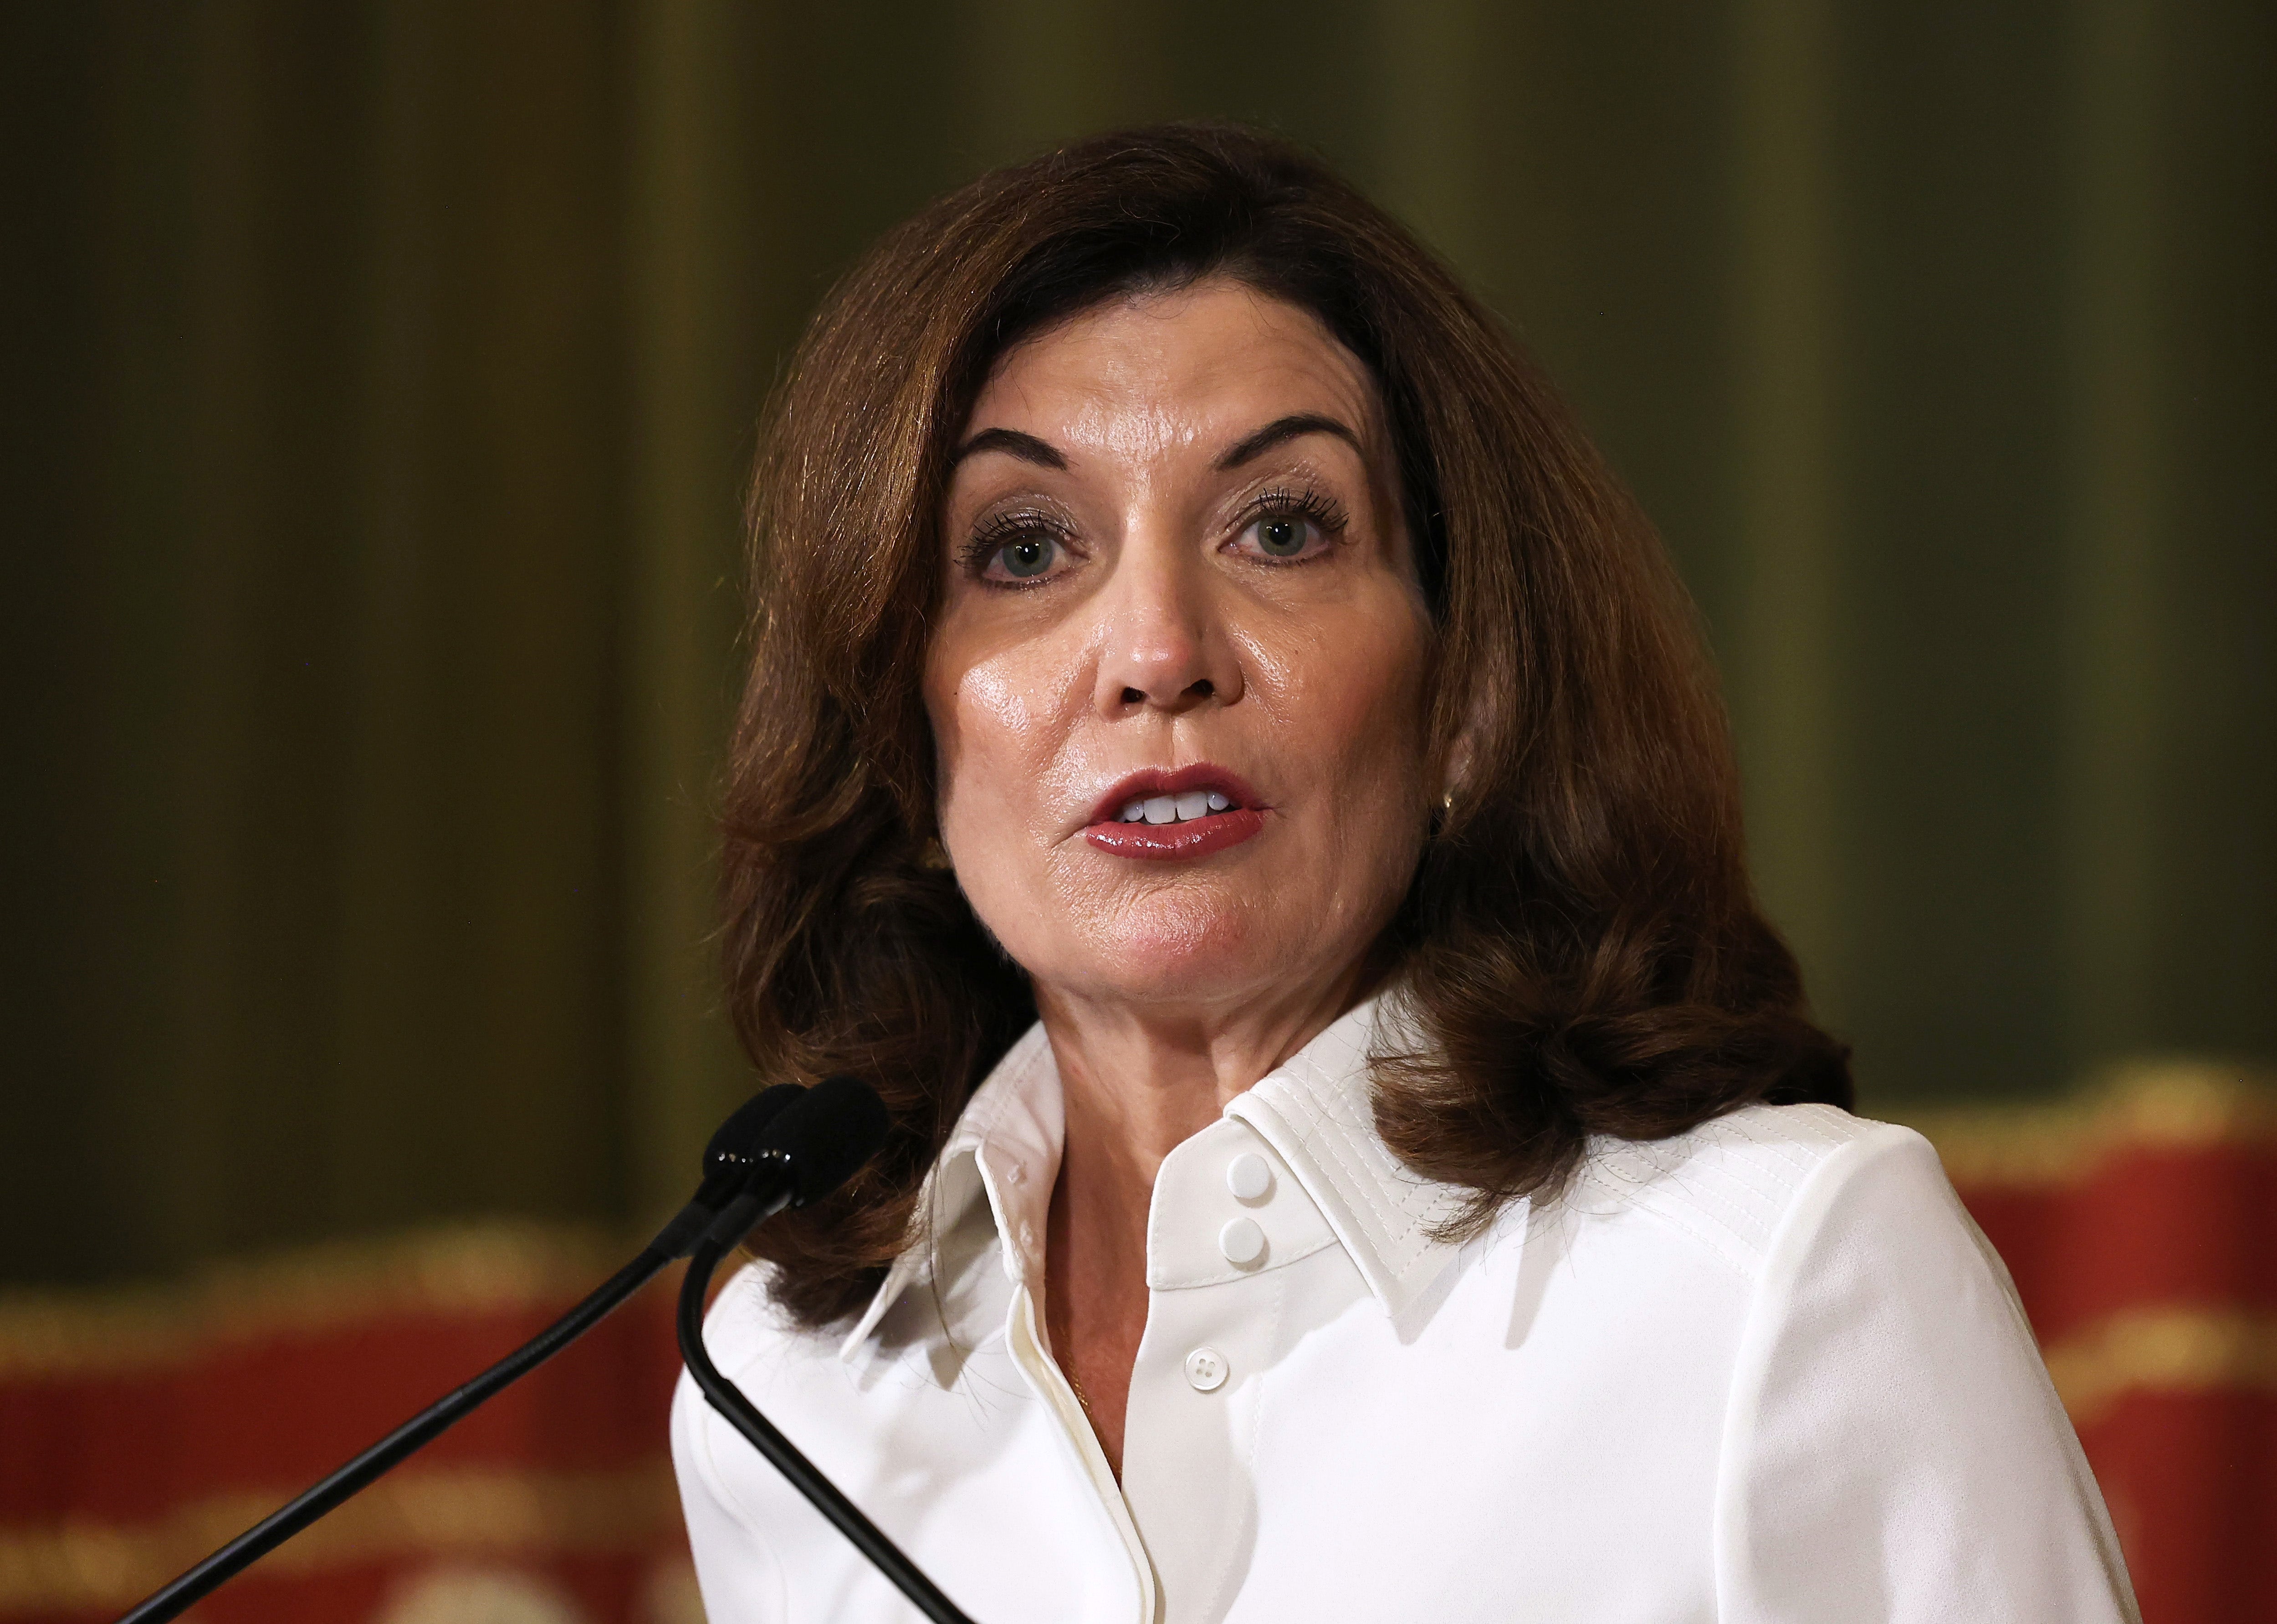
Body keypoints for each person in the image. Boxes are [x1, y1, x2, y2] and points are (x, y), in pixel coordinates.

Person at [676, 123, 2138, 1623]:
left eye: (1282, 527)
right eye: (1027, 549)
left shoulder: (1781, 1274)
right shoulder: (790, 1389)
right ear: (897, 720)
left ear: (1469, 690)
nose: (1158, 652)